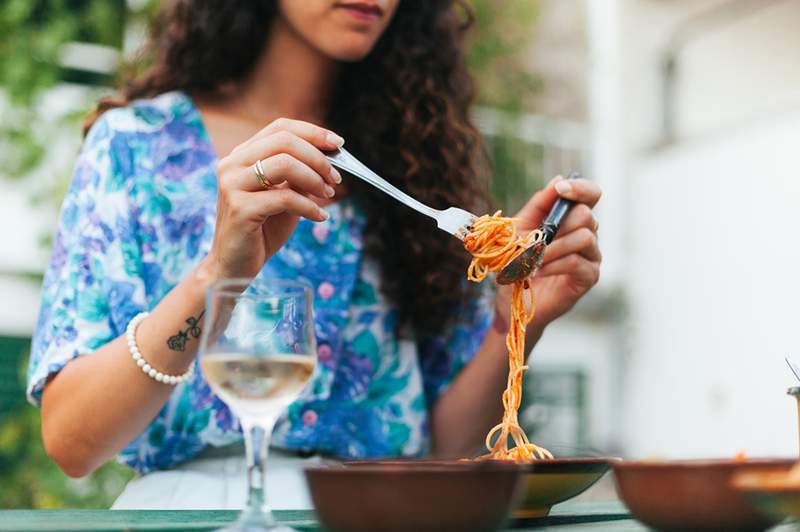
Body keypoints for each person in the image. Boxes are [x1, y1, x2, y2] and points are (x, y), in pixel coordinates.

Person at [27, 0, 602, 509]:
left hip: (380, 515)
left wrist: (513, 317)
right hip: (194, 515)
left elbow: (444, 447)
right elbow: (72, 441)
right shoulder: (137, 145)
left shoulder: (418, 166)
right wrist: (220, 273)